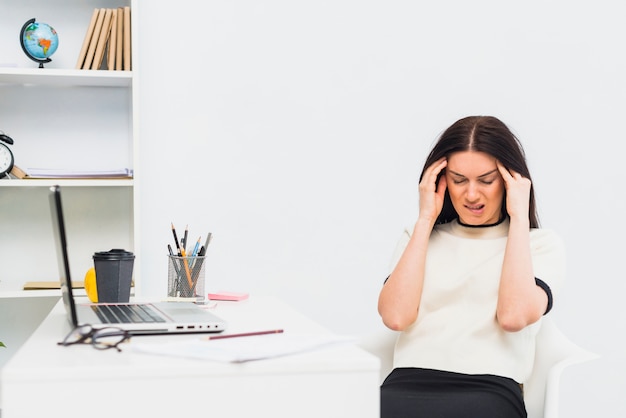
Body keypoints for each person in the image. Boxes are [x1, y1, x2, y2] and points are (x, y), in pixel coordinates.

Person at [378, 116, 565, 417]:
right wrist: (425, 220)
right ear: (440, 181)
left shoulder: (539, 245)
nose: (472, 194)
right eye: (459, 180)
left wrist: (518, 218)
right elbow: (395, 317)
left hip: (489, 391)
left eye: (486, 180)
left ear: (510, 181)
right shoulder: (418, 238)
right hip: (407, 384)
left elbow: (513, 316)